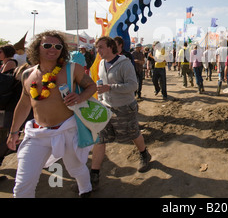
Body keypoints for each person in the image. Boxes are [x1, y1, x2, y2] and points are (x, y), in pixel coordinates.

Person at [6, 30, 97, 198]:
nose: (52, 49)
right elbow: (24, 103)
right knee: (23, 183)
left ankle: (86, 190)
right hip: (36, 134)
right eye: (47, 45)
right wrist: (13, 132)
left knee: (75, 168)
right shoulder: (27, 74)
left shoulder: (72, 69)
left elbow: (91, 86)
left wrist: (79, 97)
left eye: (58, 46)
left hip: (68, 130)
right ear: (37, 48)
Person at [91, 36, 151, 190]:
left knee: (133, 133)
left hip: (124, 107)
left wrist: (110, 87)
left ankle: (144, 154)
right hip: (106, 107)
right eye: (97, 48)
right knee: (100, 139)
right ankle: (94, 173)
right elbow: (101, 84)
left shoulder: (124, 64)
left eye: (101, 47)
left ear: (111, 47)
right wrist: (100, 99)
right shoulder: (101, 64)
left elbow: (133, 86)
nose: (98, 51)